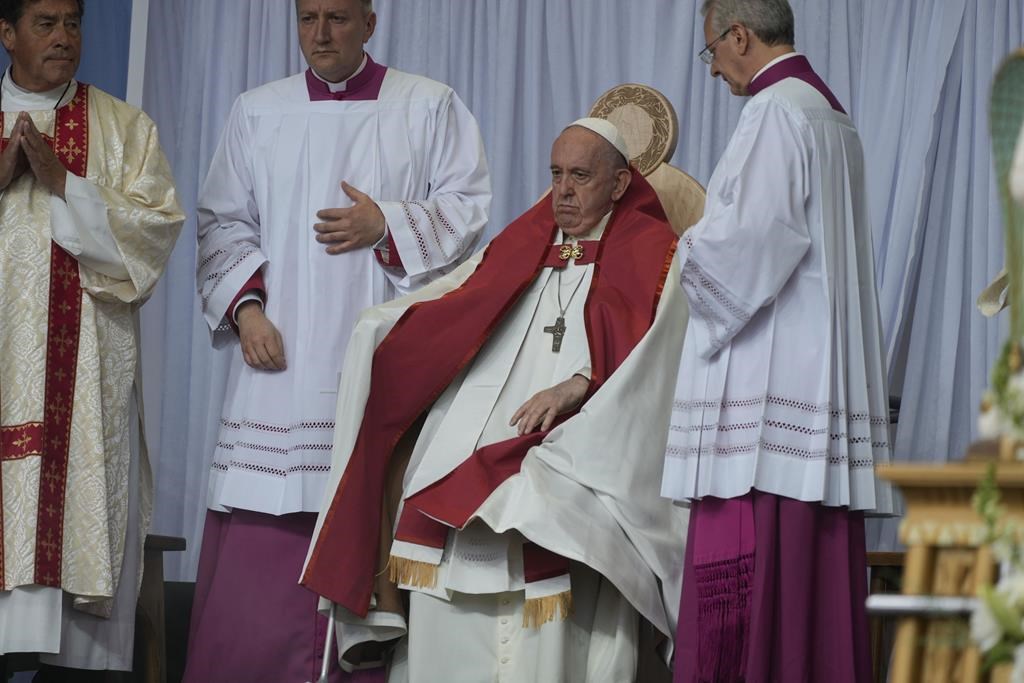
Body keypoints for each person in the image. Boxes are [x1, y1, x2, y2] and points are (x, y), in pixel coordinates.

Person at [300, 118, 689, 683]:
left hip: (588, 433)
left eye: (581, 176)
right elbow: (459, 295)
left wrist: (583, 381)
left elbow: (660, 359)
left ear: (620, 183)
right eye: (555, 174)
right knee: (429, 479)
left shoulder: (657, 256)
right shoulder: (526, 242)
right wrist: (376, 327)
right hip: (493, 417)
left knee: (537, 500)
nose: (563, 191)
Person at [185, 0, 491, 680]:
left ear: (370, 23)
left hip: (381, 358)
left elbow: (468, 208)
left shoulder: (428, 105)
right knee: (263, 565)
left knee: (370, 498)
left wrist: (388, 225)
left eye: (338, 18)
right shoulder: (258, 111)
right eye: (308, 18)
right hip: (281, 364)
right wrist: (247, 311)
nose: (320, 34)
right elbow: (222, 221)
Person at [660, 1, 893, 681]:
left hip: (769, 391)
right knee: (810, 592)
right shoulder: (830, 114)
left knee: (753, 575)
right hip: (813, 377)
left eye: (712, 52)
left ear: (739, 36)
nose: (713, 70)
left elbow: (755, 241)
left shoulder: (774, 111)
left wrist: (680, 241)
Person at [0, 0, 184, 680]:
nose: (63, 38)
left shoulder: (124, 128)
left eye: (73, 23)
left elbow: (154, 237)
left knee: (74, 659)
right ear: (6, 33)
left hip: (81, 396)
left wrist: (65, 185)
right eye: (45, 23)